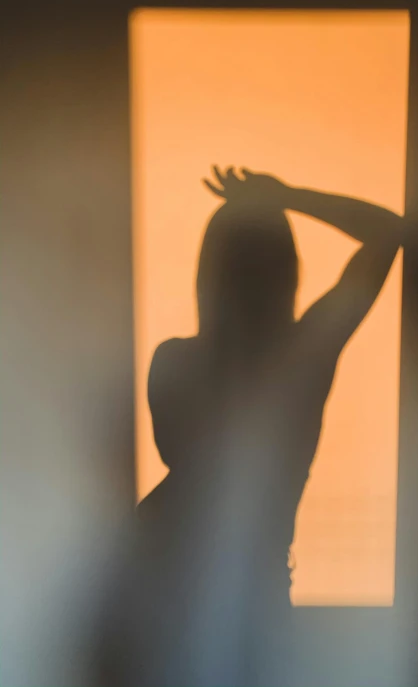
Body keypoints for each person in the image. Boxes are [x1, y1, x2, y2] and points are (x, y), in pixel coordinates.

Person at [113, 166, 403, 687]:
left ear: (210, 275)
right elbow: (386, 232)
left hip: (174, 592)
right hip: (203, 598)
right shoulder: (300, 359)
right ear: (288, 274)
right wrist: (288, 196)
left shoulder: (185, 362)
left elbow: (175, 462)